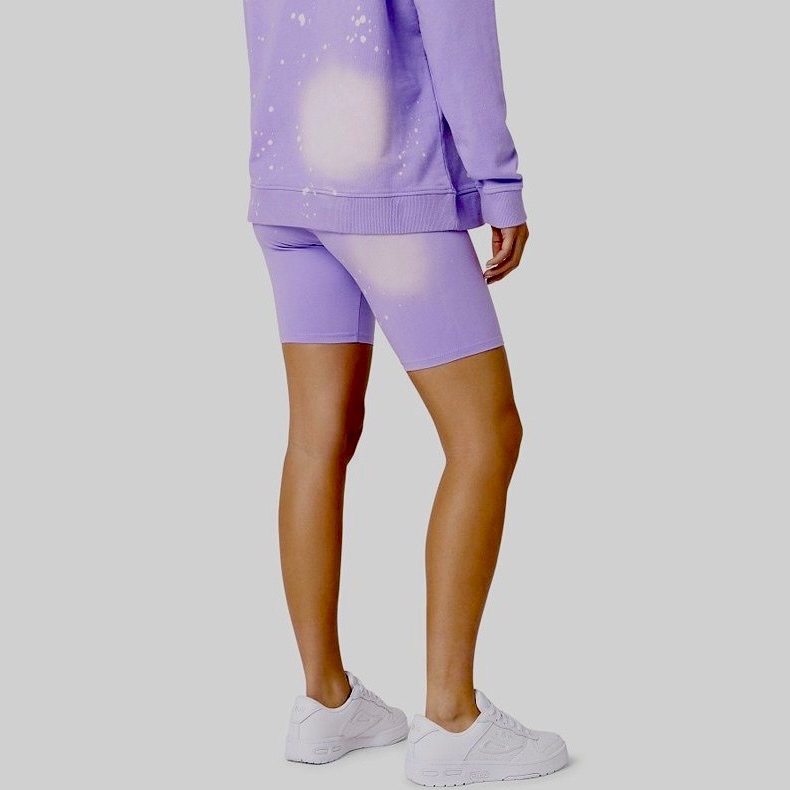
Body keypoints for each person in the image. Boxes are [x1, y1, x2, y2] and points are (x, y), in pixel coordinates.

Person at [241, 1, 567, 784]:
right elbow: (460, 39)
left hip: (287, 187)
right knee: (484, 435)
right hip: (388, 193)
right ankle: (452, 717)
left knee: (316, 438)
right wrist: (499, 185)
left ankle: (326, 700)